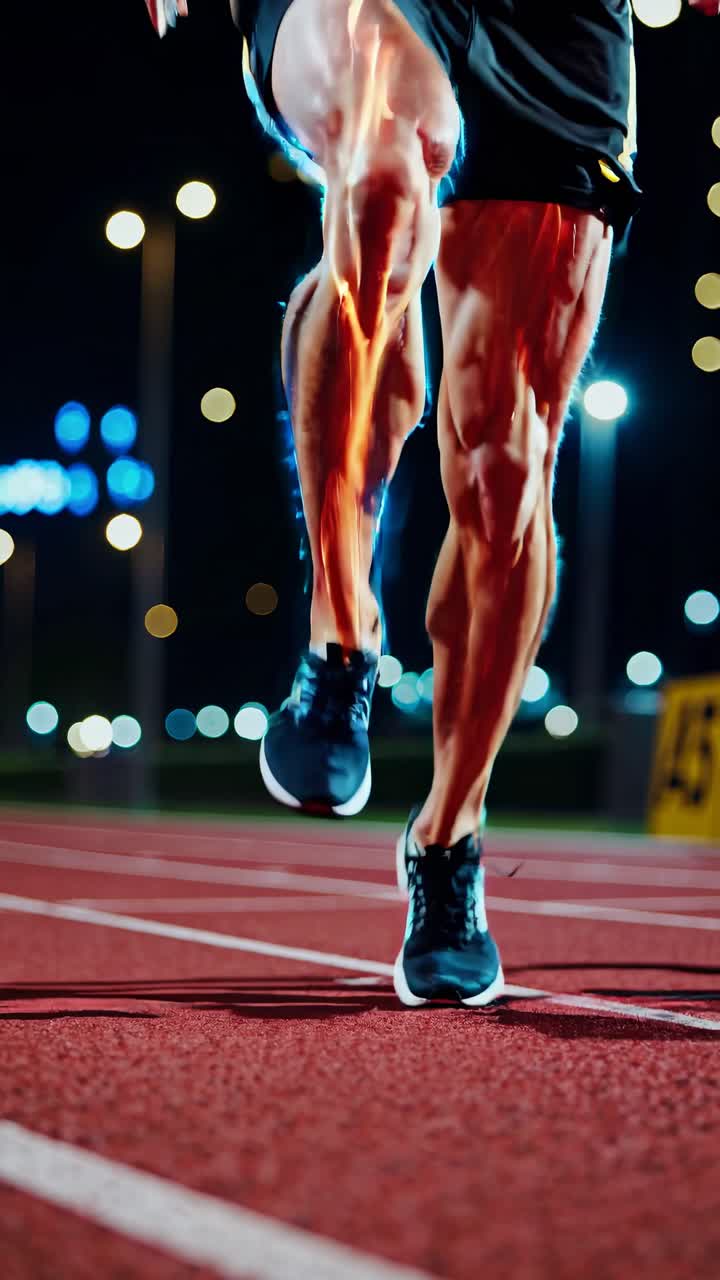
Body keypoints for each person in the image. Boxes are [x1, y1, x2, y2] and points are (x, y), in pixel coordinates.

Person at [158, 0, 717, 1005]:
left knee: (505, 458)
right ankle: (341, 635)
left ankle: (449, 837)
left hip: (561, 30)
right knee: (380, 174)